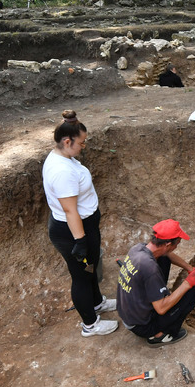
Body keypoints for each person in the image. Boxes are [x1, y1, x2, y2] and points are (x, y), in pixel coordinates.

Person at [42, 110, 118, 337]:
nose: (83, 147)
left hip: (83, 226)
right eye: (81, 143)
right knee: (81, 276)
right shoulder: (61, 171)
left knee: (90, 269)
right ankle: (90, 324)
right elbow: (69, 210)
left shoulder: (64, 157)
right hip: (73, 231)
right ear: (67, 141)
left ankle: (96, 303)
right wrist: (81, 240)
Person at [116, 219, 195, 346]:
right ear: (168, 244)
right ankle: (162, 335)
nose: (177, 246)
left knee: (164, 258)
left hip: (128, 314)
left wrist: (189, 268)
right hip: (142, 325)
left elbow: (167, 254)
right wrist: (187, 283)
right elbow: (161, 309)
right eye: (177, 243)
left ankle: (160, 296)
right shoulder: (150, 269)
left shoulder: (139, 249)